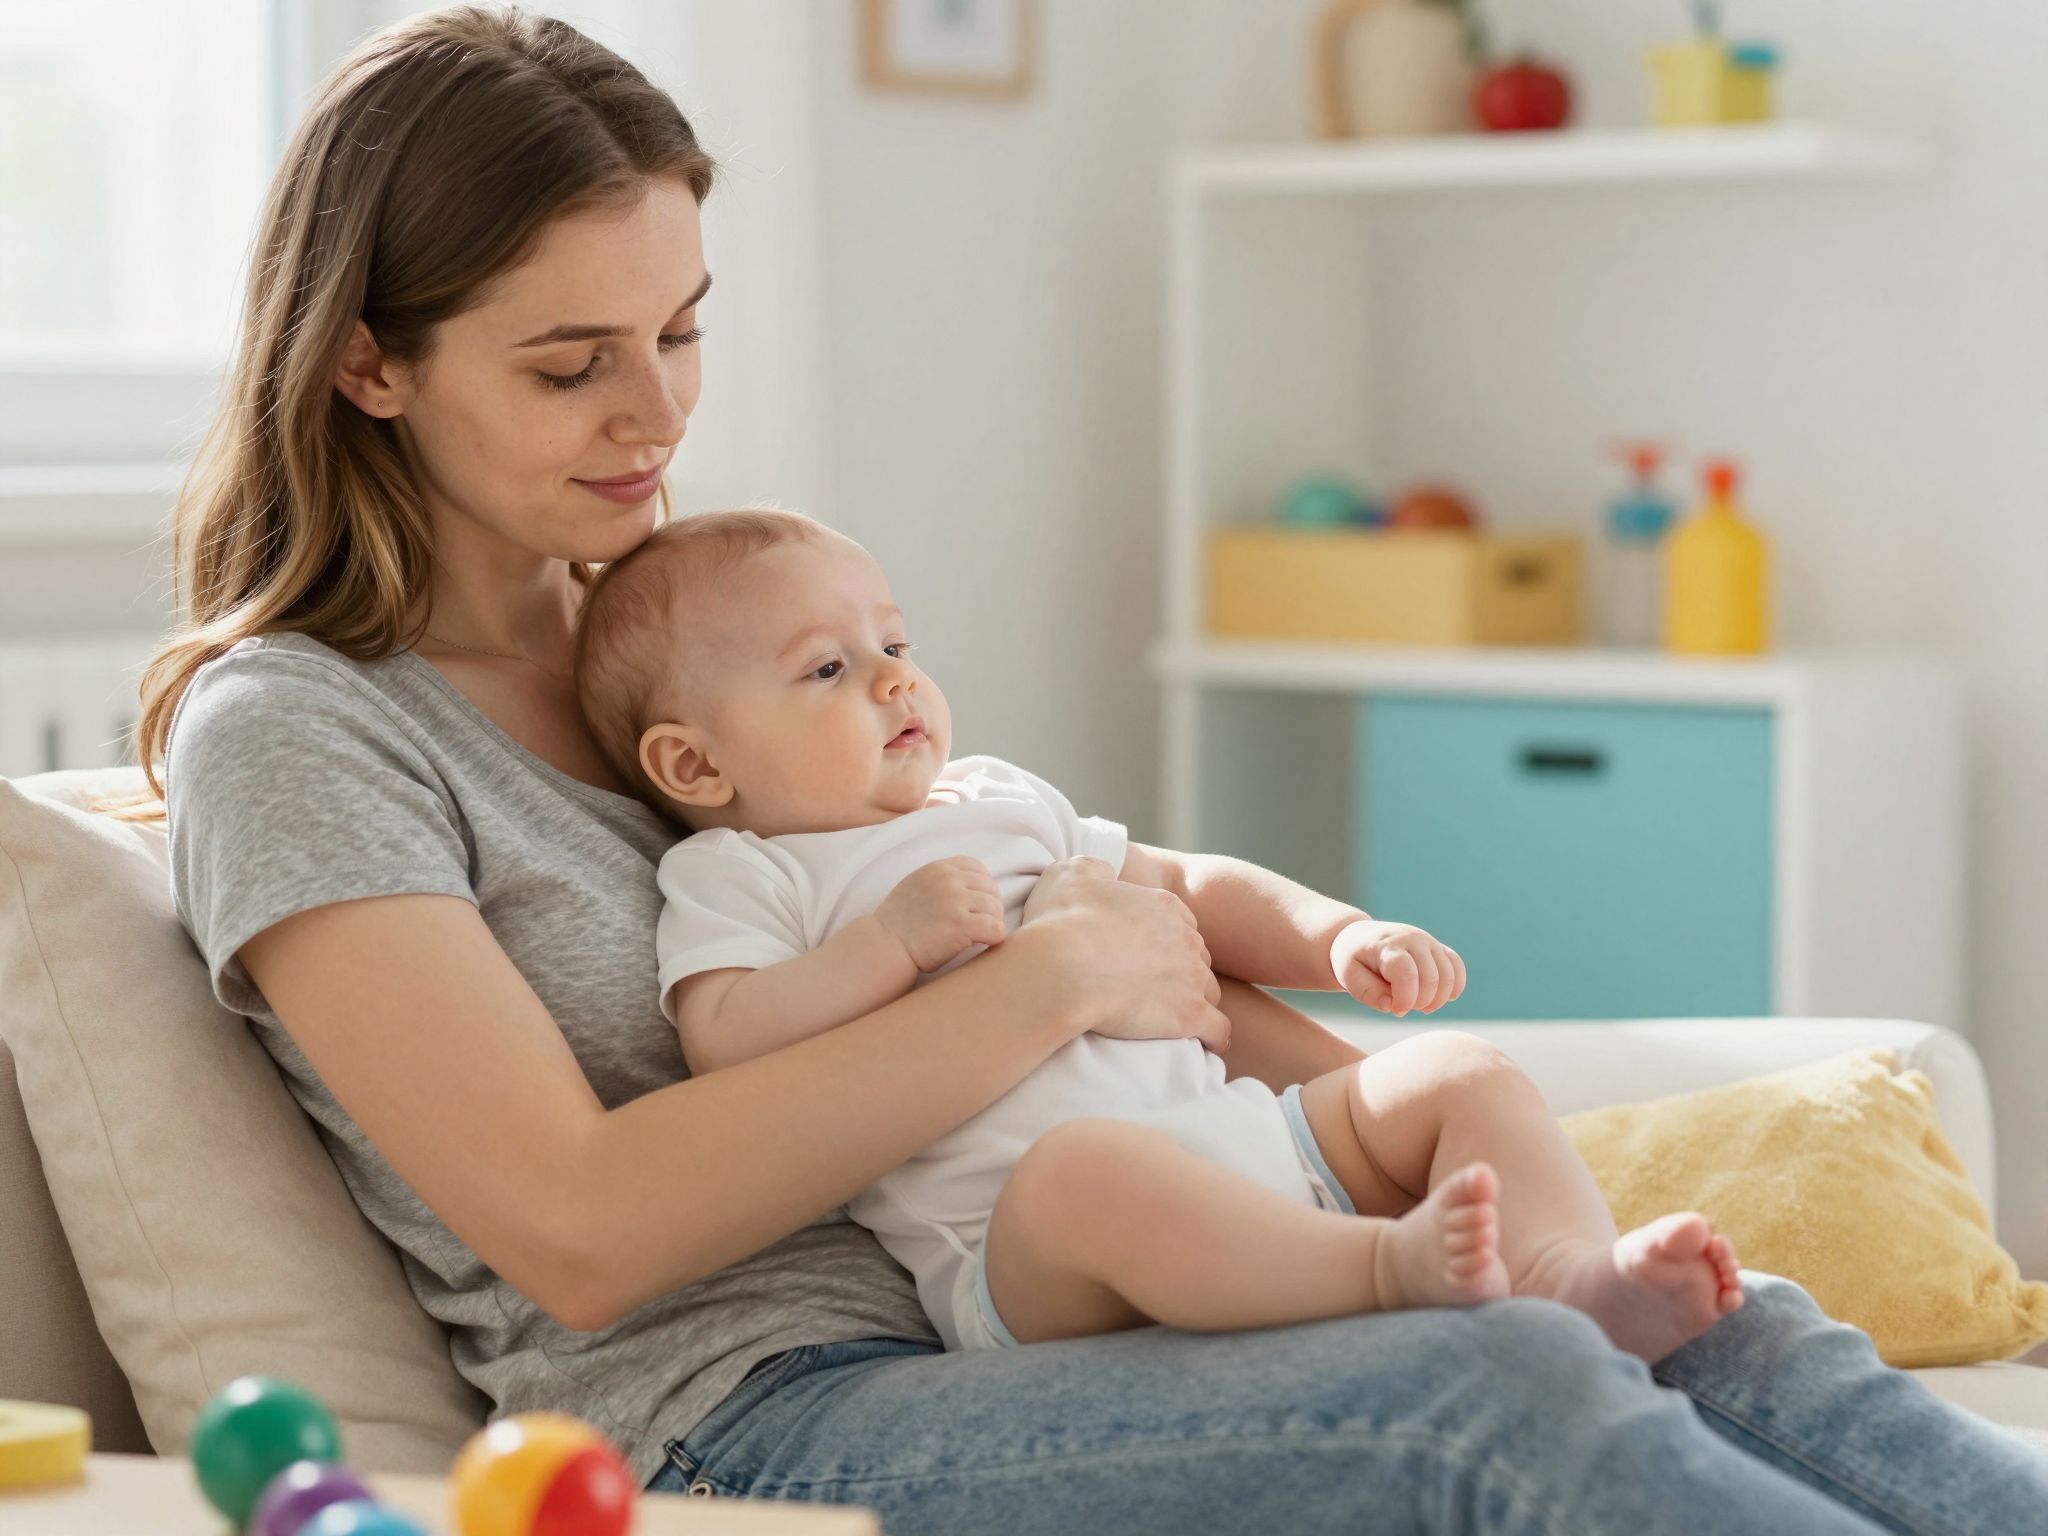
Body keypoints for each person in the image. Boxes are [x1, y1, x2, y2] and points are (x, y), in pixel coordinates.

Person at [125, 5, 2048, 1531]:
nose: (656, 415)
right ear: (368, 364)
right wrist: (1045, 981)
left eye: (682, 333)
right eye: (569, 366)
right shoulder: (301, 730)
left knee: (1707, 1321)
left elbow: (1141, 973)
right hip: (748, 1418)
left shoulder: (696, 624)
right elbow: (580, 1231)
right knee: (1500, 1388)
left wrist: (1348, 1125)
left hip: (1066, 1286)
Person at [572, 508, 1745, 1362]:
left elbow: (1186, 883)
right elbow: (727, 1039)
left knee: (1458, 1072)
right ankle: (1389, 1272)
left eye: (895, 646)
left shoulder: (998, 797)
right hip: (1032, 1253)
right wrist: (885, 945)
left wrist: (1336, 938)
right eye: (827, 668)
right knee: (1086, 1171)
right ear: (696, 765)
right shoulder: (741, 870)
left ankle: (1568, 1282)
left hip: (1244, 1143)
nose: (891, 683)